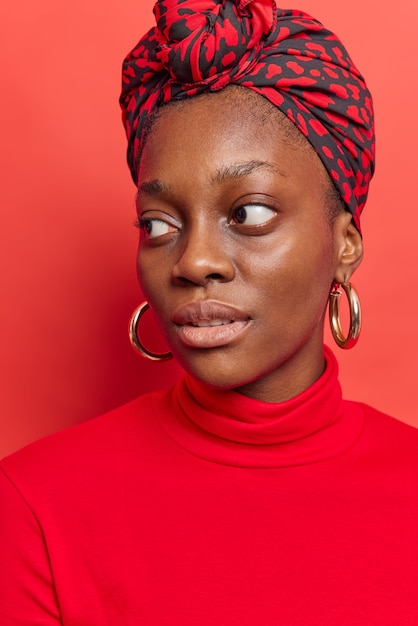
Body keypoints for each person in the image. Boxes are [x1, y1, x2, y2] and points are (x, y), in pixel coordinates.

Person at [0, 1, 417, 624]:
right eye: (159, 223)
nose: (193, 262)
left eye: (248, 213)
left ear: (345, 246)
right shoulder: (33, 507)